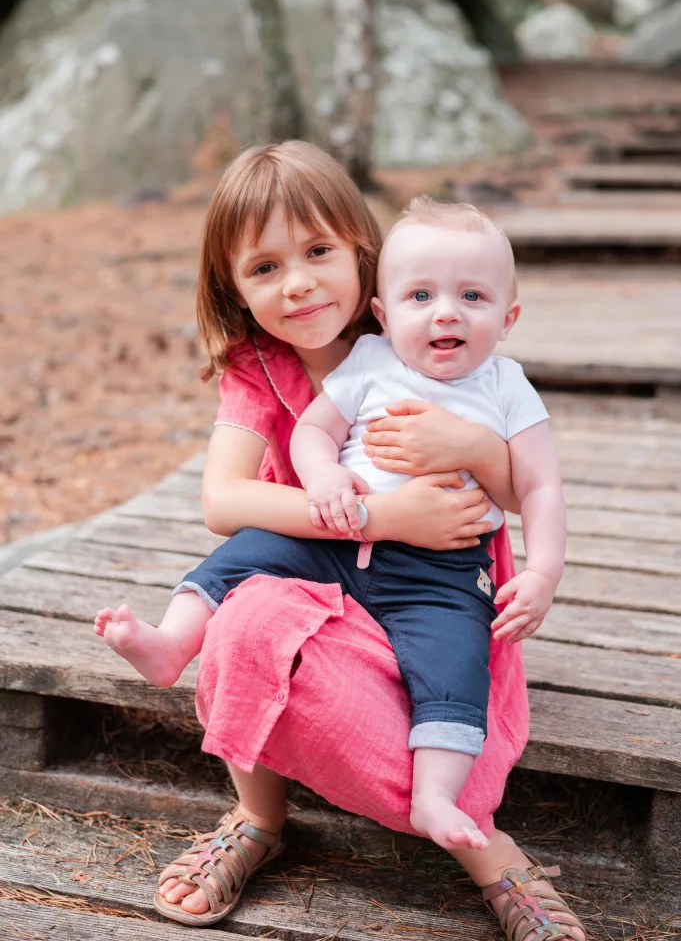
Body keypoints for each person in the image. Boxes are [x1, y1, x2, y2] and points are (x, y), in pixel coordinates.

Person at [93, 141, 585, 940]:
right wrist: (381, 516)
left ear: (365, 255)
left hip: (436, 586)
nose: (297, 284)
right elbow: (224, 501)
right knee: (244, 622)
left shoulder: (426, 336)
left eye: (318, 252)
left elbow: (524, 487)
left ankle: (491, 856)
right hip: (320, 571)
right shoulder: (258, 370)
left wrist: (468, 450)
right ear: (234, 288)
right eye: (263, 269)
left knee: (442, 694)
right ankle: (256, 817)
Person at [289, 198, 566, 852]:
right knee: (249, 552)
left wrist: (543, 572)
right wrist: (324, 476)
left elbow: (540, 486)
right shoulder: (369, 361)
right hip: (340, 542)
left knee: (457, 665)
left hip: (442, 569)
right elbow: (311, 431)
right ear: (384, 314)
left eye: (471, 295)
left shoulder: (504, 386)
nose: (446, 311)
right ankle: (175, 632)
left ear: (507, 319)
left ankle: (434, 795)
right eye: (420, 294)